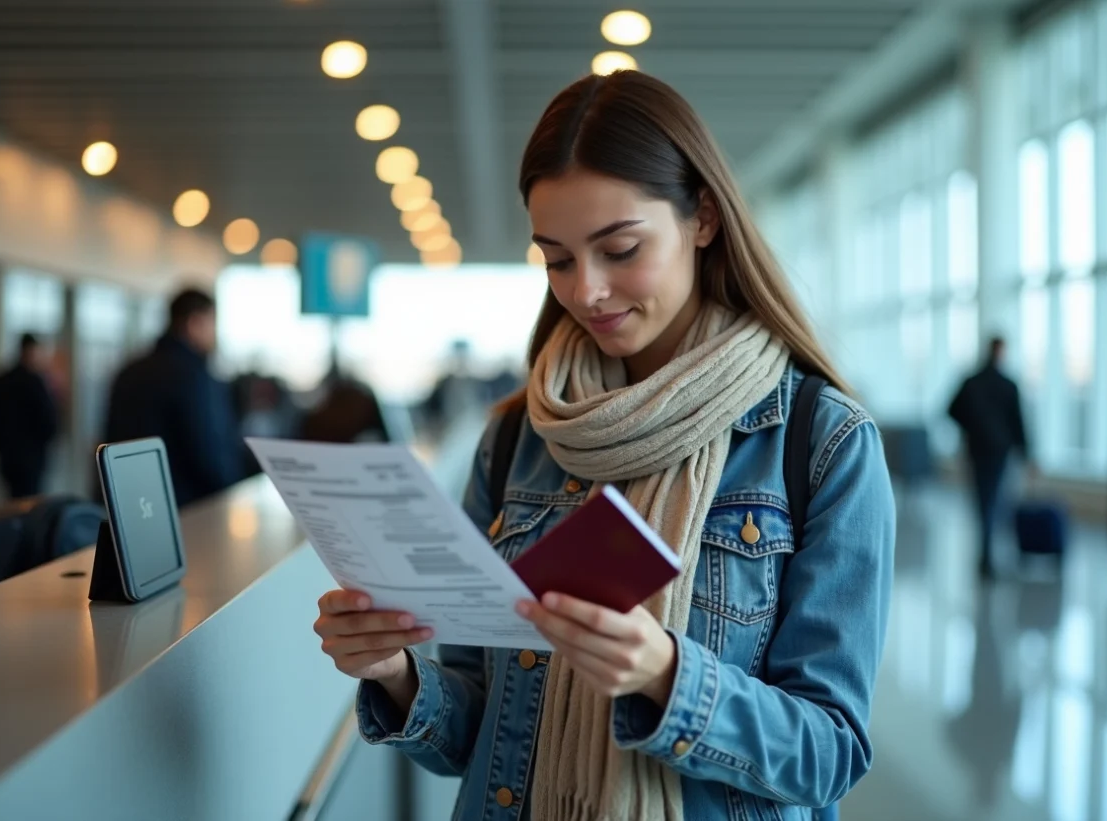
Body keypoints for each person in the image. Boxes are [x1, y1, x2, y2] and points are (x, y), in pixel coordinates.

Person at [314, 71, 895, 821]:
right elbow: (472, 738)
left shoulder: (822, 443)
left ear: (705, 218)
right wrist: (395, 672)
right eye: (557, 259)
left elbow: (831, 753)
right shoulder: (517, 438)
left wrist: (666, 675)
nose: (586, 290)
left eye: (620, 248)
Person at [103, 288, 242, 507]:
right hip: (187, 510)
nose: (214, 333)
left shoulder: (129, 370)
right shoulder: (193, 375)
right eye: (212, 322)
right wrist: (232, 490)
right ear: (195, 322)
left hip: (129, 505)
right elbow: (209, 453)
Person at [948, 336, 1032, 578]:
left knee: (983, 499)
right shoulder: (1007, 384)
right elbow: (1018, 421)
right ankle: (988, 553)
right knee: (994, 498)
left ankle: (986, 551)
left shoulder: (972, 382)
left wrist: (971, 427)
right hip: (998, 451)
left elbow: (951, 410)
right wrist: (1025, 452)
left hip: (977, 448)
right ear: (1001, 352)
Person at [0, 333, 60, 498]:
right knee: (31, 504)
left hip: (7, 456)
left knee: (11, 502)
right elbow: (48, 419)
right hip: (32, 458)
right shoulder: (35, 382)